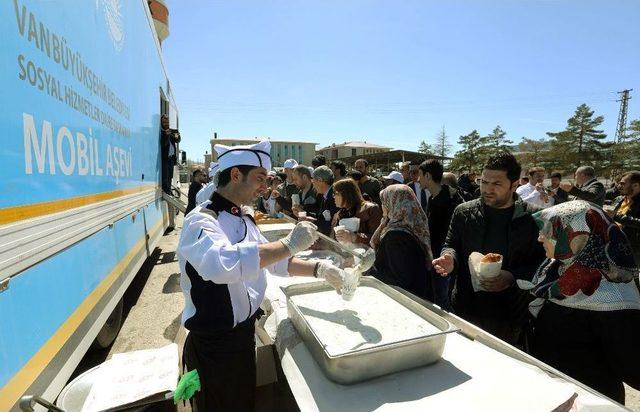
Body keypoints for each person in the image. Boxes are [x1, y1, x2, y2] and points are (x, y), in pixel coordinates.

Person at [178, 140, 345, 411]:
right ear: (235, 175)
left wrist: (319, 270)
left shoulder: (243, 217)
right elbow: (222, 265)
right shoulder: (202, 220)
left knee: (242, 401)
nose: (265, 188)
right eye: (259, 179)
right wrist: (289, 243)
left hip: (241, 337)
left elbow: (275, 262)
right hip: (216, 345)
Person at [518, 200, 640, 403]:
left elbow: (633, 368)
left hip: (588, 399)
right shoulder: (556, 267)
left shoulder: (614, 297)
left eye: (549, 232)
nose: (540, 238)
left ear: (578, 237)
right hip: (549, 391)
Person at [432, 153, 546, 346]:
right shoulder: (464, 212)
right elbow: (451, 244)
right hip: (466, 307)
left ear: (514, 184)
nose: (487, 189)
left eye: (496, 184)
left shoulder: (534, 217)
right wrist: (449, 259)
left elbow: (543, 264)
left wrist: (511, 277)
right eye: (484, 182)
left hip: (510, 312)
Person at [370, 185, 433, 299]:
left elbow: (398, 280)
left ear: (394, 204)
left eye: (384, 202)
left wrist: (368, 269)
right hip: (418, 294)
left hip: (404, 300)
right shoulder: (413, 226)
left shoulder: (395, 237)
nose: (382, 206)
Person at [419, 159, 464, 310]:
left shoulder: (452, 201)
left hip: (445, 261)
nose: (418, 180)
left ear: (428, 176)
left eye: (420, 175)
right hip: (434, 258)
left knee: (443, 302)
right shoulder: (433, 198)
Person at [332, 178, 382, 247]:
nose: (333, 197)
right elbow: (333, 240)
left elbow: (377, 238)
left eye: (336, 194)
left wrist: (355, 237)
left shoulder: (371, 209)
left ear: (347, 194)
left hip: (365, 256)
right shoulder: (339, 213)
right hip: (344, 255)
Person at [607, 171, 640, 264]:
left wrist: (616, 216)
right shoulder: (619, 199)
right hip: (613, 245)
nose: (618, 186)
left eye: (622, 184)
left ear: (635, 186)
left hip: (632, 249)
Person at [308, 166, 339, 235]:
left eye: (313, 181)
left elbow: (332, 224)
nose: (313, 185)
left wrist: (312, 222)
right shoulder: (324, 194)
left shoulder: (335, 197)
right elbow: (322, 217)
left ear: (320, 180)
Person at [160, 114, 181, 194]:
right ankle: (167, 191)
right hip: (165, 158)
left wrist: (177, 136)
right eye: (164, 122)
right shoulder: (162, 133)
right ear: (161, 123)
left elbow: (178, 140)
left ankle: (169, 190)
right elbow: (163, 144)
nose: (166, 124)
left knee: (170, 177)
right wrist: (166, 135)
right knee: (165, 176)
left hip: (171, 158)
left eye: (167, 122)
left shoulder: (172, 131)